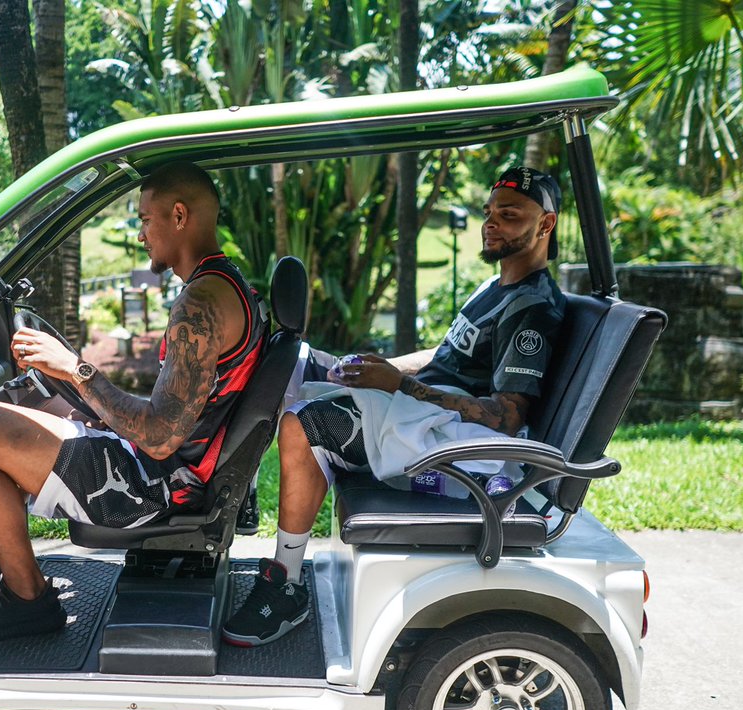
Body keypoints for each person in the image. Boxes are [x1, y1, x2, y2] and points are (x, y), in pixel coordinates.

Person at [223, 166, 567, 647]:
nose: (491, 223)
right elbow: (446, 356)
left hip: (460, 445)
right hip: (430, 413)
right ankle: (242, 502)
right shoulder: (495, 288)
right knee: (299, 368)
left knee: (305, 425)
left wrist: (399, 388)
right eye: (489, 212)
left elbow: (508, 415)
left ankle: (286, 582)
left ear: (545, 225)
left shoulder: (533, 308)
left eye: (509, 215)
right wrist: (385, 367)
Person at [0, 161, 265, 646]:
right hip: (174, 472)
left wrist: (74, 368)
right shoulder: (227, 285)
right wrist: (82, 398)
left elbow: (157, 438)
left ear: (178, 215)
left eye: (144, 220)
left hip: (154, 487)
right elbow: (177, 416)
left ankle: (27, 600)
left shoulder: (201, 304)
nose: (140, 235)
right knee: (34, 412)